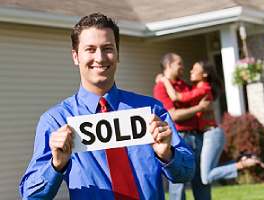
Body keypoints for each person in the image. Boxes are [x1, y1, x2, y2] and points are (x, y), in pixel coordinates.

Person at [19, 13, 196, 200]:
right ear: (75, 56)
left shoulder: (151, 111)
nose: (100, 57)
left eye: (107, 48)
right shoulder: (56, 121)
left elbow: (186, 172)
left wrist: (167, 154)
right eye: (90, 49)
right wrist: (55, 165)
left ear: (117, 54)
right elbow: (31, 195)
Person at [159, 60, 264, 200]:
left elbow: (177, 97)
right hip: (207, 134)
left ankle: (243, 164)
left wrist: (164, 81)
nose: (190, 71)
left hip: (212, 134)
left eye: (194, 69)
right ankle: (243, 163)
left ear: (204, 74)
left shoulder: (204, 88)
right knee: (204, 177)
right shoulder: (198, 88)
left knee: (206, 176)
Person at [153, 53, 212, 200]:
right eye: (179, 64)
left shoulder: (185, 85)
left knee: (202, 180)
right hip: (178, 138)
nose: (183, 67)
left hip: (197, 136)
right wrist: (198, 108)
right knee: (178, 184)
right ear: (168, 65)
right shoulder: (161, 87)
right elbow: (173, 116)